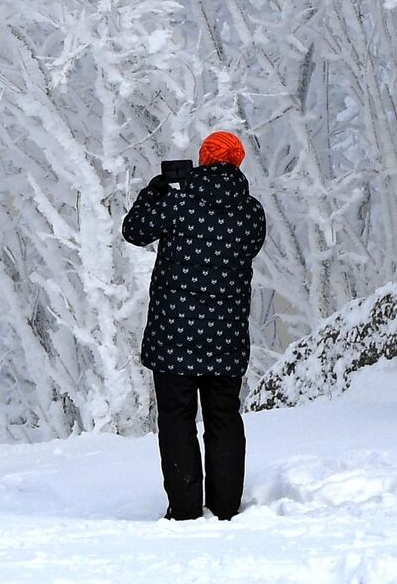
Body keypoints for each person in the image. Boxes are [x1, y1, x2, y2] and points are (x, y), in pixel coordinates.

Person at [122, 130, 268, 521]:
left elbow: (134, 231)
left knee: (177, 420)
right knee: (224, 418)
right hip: (226, 337)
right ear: (238, 163)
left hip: (173, 336)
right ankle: (224, 507)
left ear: (203, 160)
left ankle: (185, 508)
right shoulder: (252, 212)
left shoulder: (176, 202)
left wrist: (156, 190)